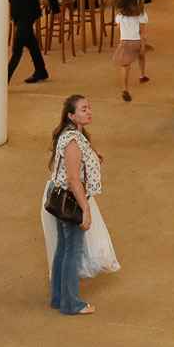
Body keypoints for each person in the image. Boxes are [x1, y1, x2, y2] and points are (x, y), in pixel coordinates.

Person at [42, 95, 108, 316]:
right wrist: (86, 211)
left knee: (64, 247)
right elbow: (73, 177)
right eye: (83, 109)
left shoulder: (74, 135)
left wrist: (91, 154)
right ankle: (71, 303)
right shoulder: (72, 140)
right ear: (71, 115)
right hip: (70, 199)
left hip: (61, 195)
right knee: (73, 250)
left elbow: (76, 159)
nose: (88, 112)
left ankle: (58, 297)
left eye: (89, 108)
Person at [112, 0, 151, 101]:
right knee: (141, 57)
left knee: (125, 66)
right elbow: (141, 30)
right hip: (137, 40)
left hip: (125, 41)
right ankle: (142, 75)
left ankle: (125, 89)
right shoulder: (141, 14)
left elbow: (118, 28)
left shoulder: (120, 15)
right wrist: (143, 45)